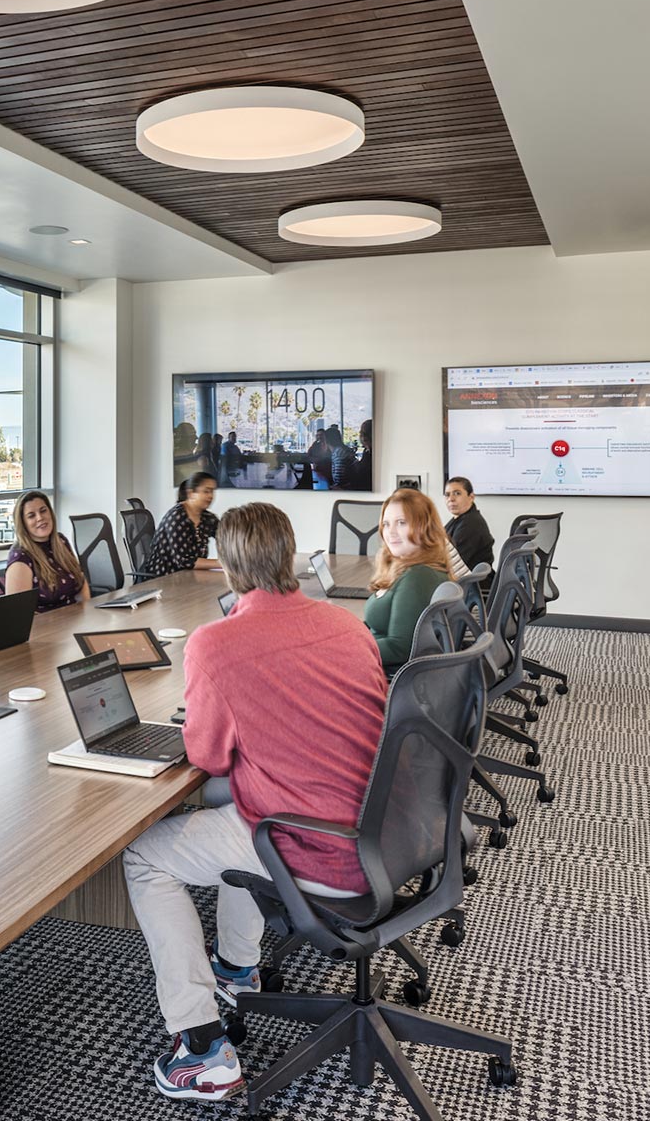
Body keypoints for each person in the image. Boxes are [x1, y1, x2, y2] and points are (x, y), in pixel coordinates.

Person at [121, 503, 387, 1101]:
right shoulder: (350, 625)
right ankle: (238, 968)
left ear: (229, 567)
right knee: (236, 809)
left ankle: (202, 1048)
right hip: (385, 832)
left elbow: (210, 758)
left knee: (145, 857)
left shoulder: (216, 643)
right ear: (288, 553)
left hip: (315, 847)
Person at [363, 487, 455, 668]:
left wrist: (346, 648)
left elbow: (400, 648)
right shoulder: (410, 567)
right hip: (372, 656)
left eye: (401, 522)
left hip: (382, 670)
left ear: (424, 527)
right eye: (387, 524)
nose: (391, 532)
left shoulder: (418, 576)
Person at [3, 490, 90, 611]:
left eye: (43, 510)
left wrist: (89, 614)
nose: (40, 518)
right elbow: (17, 613)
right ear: (23, 523)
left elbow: (80, 582)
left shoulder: (60, 541)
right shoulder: (21, 558)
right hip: (45, 627)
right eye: (31, 515)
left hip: (74, 621)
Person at [141, 472, 220, 577]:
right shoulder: (177, 517)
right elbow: (184, 561)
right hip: (163, 577)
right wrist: (223, 563)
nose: (211, 496)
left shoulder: (207, 518)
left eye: (212, 491)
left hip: (190, 576)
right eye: (206, 491)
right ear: (191, 493)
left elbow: (227, 537)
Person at [443, 475, 495, 569]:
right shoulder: (459, 519)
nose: (451, 499)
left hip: (471, 582)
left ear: (471, 497)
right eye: (447, 495)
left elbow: (449, 562)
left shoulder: (471, 524)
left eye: (457, 493)